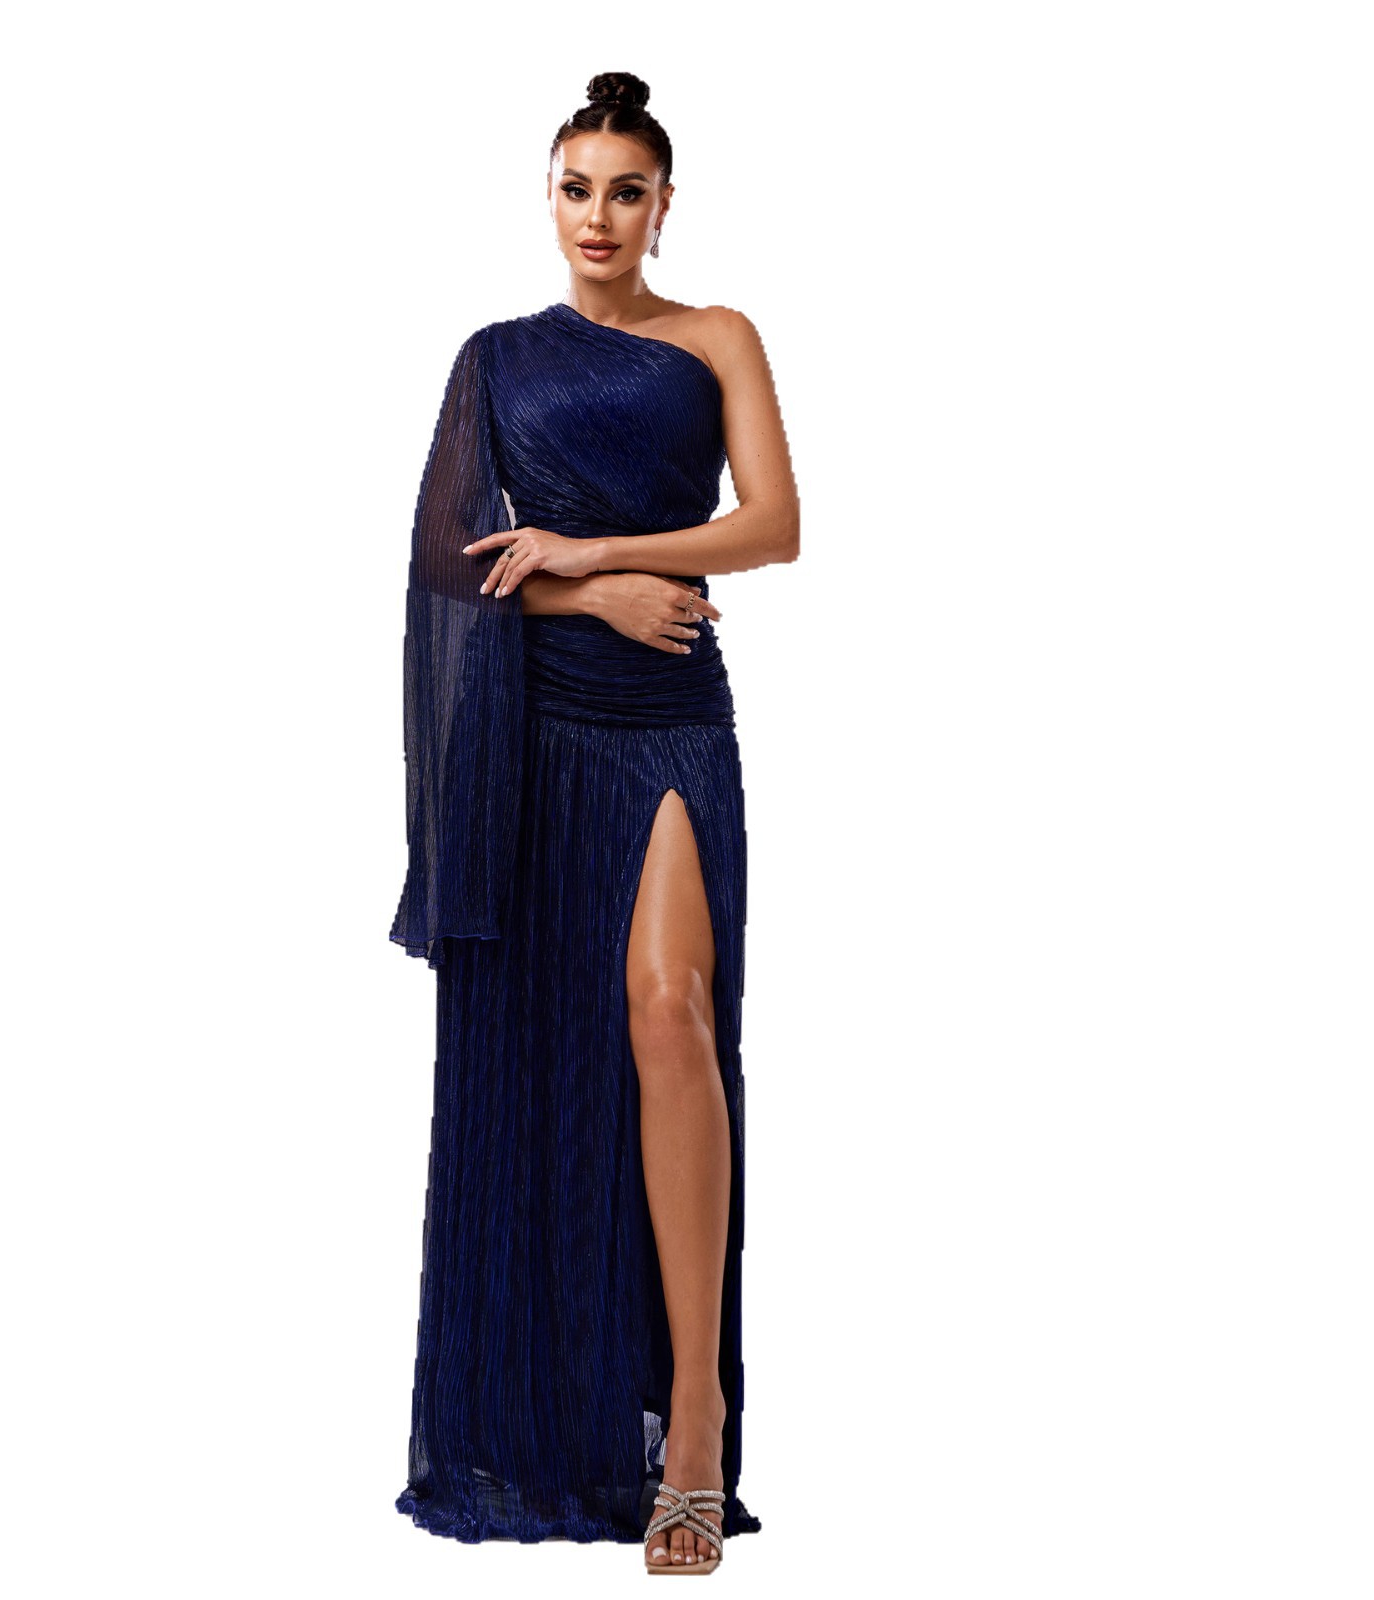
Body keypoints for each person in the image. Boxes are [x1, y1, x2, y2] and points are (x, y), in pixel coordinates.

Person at [390, 70, 800, 1574]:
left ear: (665, 204)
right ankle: (561, 1414)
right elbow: (447, 565)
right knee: (558, 1051)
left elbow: (774, 526)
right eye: (578, 189)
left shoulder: (718, 337)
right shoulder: (496, 360)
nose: (600, 216)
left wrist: (598, 548)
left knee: (670, 1013)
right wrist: (592, 590)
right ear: (549, 198)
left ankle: (692, 1417)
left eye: (628, 191)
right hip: (535, 729)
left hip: (670, 714)